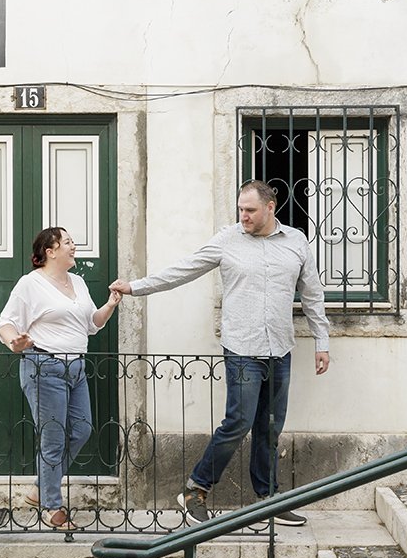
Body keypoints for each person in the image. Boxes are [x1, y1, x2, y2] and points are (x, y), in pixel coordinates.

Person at [110, 179, 330, 526]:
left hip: (280, 348)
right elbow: (185, 269)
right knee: (239, 421)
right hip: (242, 348)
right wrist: (136, 287)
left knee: (270, 427)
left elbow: (312, 293)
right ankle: (195, 490)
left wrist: (322, 341)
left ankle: (267, 499)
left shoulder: (296, 241)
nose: (243, 216)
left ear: (270, 208)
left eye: (250, 210)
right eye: (240, 209)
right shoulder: (228, 240)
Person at [0, 226, 121, 530]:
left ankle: (40, 488)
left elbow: (92, 323)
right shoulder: (30, 284)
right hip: (44, 366)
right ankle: (51, 508)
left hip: (76, 367)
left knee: (81, 430)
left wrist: (111, 304)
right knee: (53, 438)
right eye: (67, 242)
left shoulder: (77, 282)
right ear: (50, 251)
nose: (74, 246)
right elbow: (5, 323)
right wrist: (16, 342)